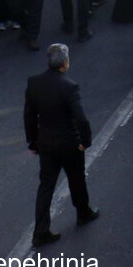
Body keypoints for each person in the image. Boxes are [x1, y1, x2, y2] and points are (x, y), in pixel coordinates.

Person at [24, 43, 99, 247]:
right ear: (65, 63)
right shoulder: (69, 87)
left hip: (46, 143)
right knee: (76, 179)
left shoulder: (34, 83)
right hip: (69, 143)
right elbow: (81, 119)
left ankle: (41, 231)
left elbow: (29, 115)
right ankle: (83, 212)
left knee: (46, 186)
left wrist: (33, 141)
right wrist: (85, 141)